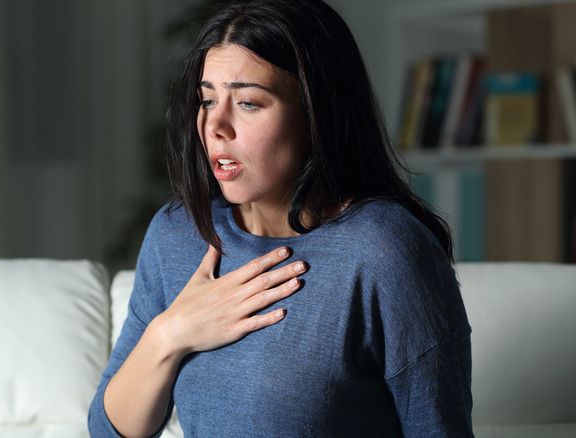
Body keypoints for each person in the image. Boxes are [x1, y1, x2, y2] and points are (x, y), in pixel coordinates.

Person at [89, 0, 473, 436]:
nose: (216, 125)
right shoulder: (179, 232)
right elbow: (107, 430)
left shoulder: (386, 251)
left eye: (249, 103)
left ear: (317, 111)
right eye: (207, 99)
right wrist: (170, 334)